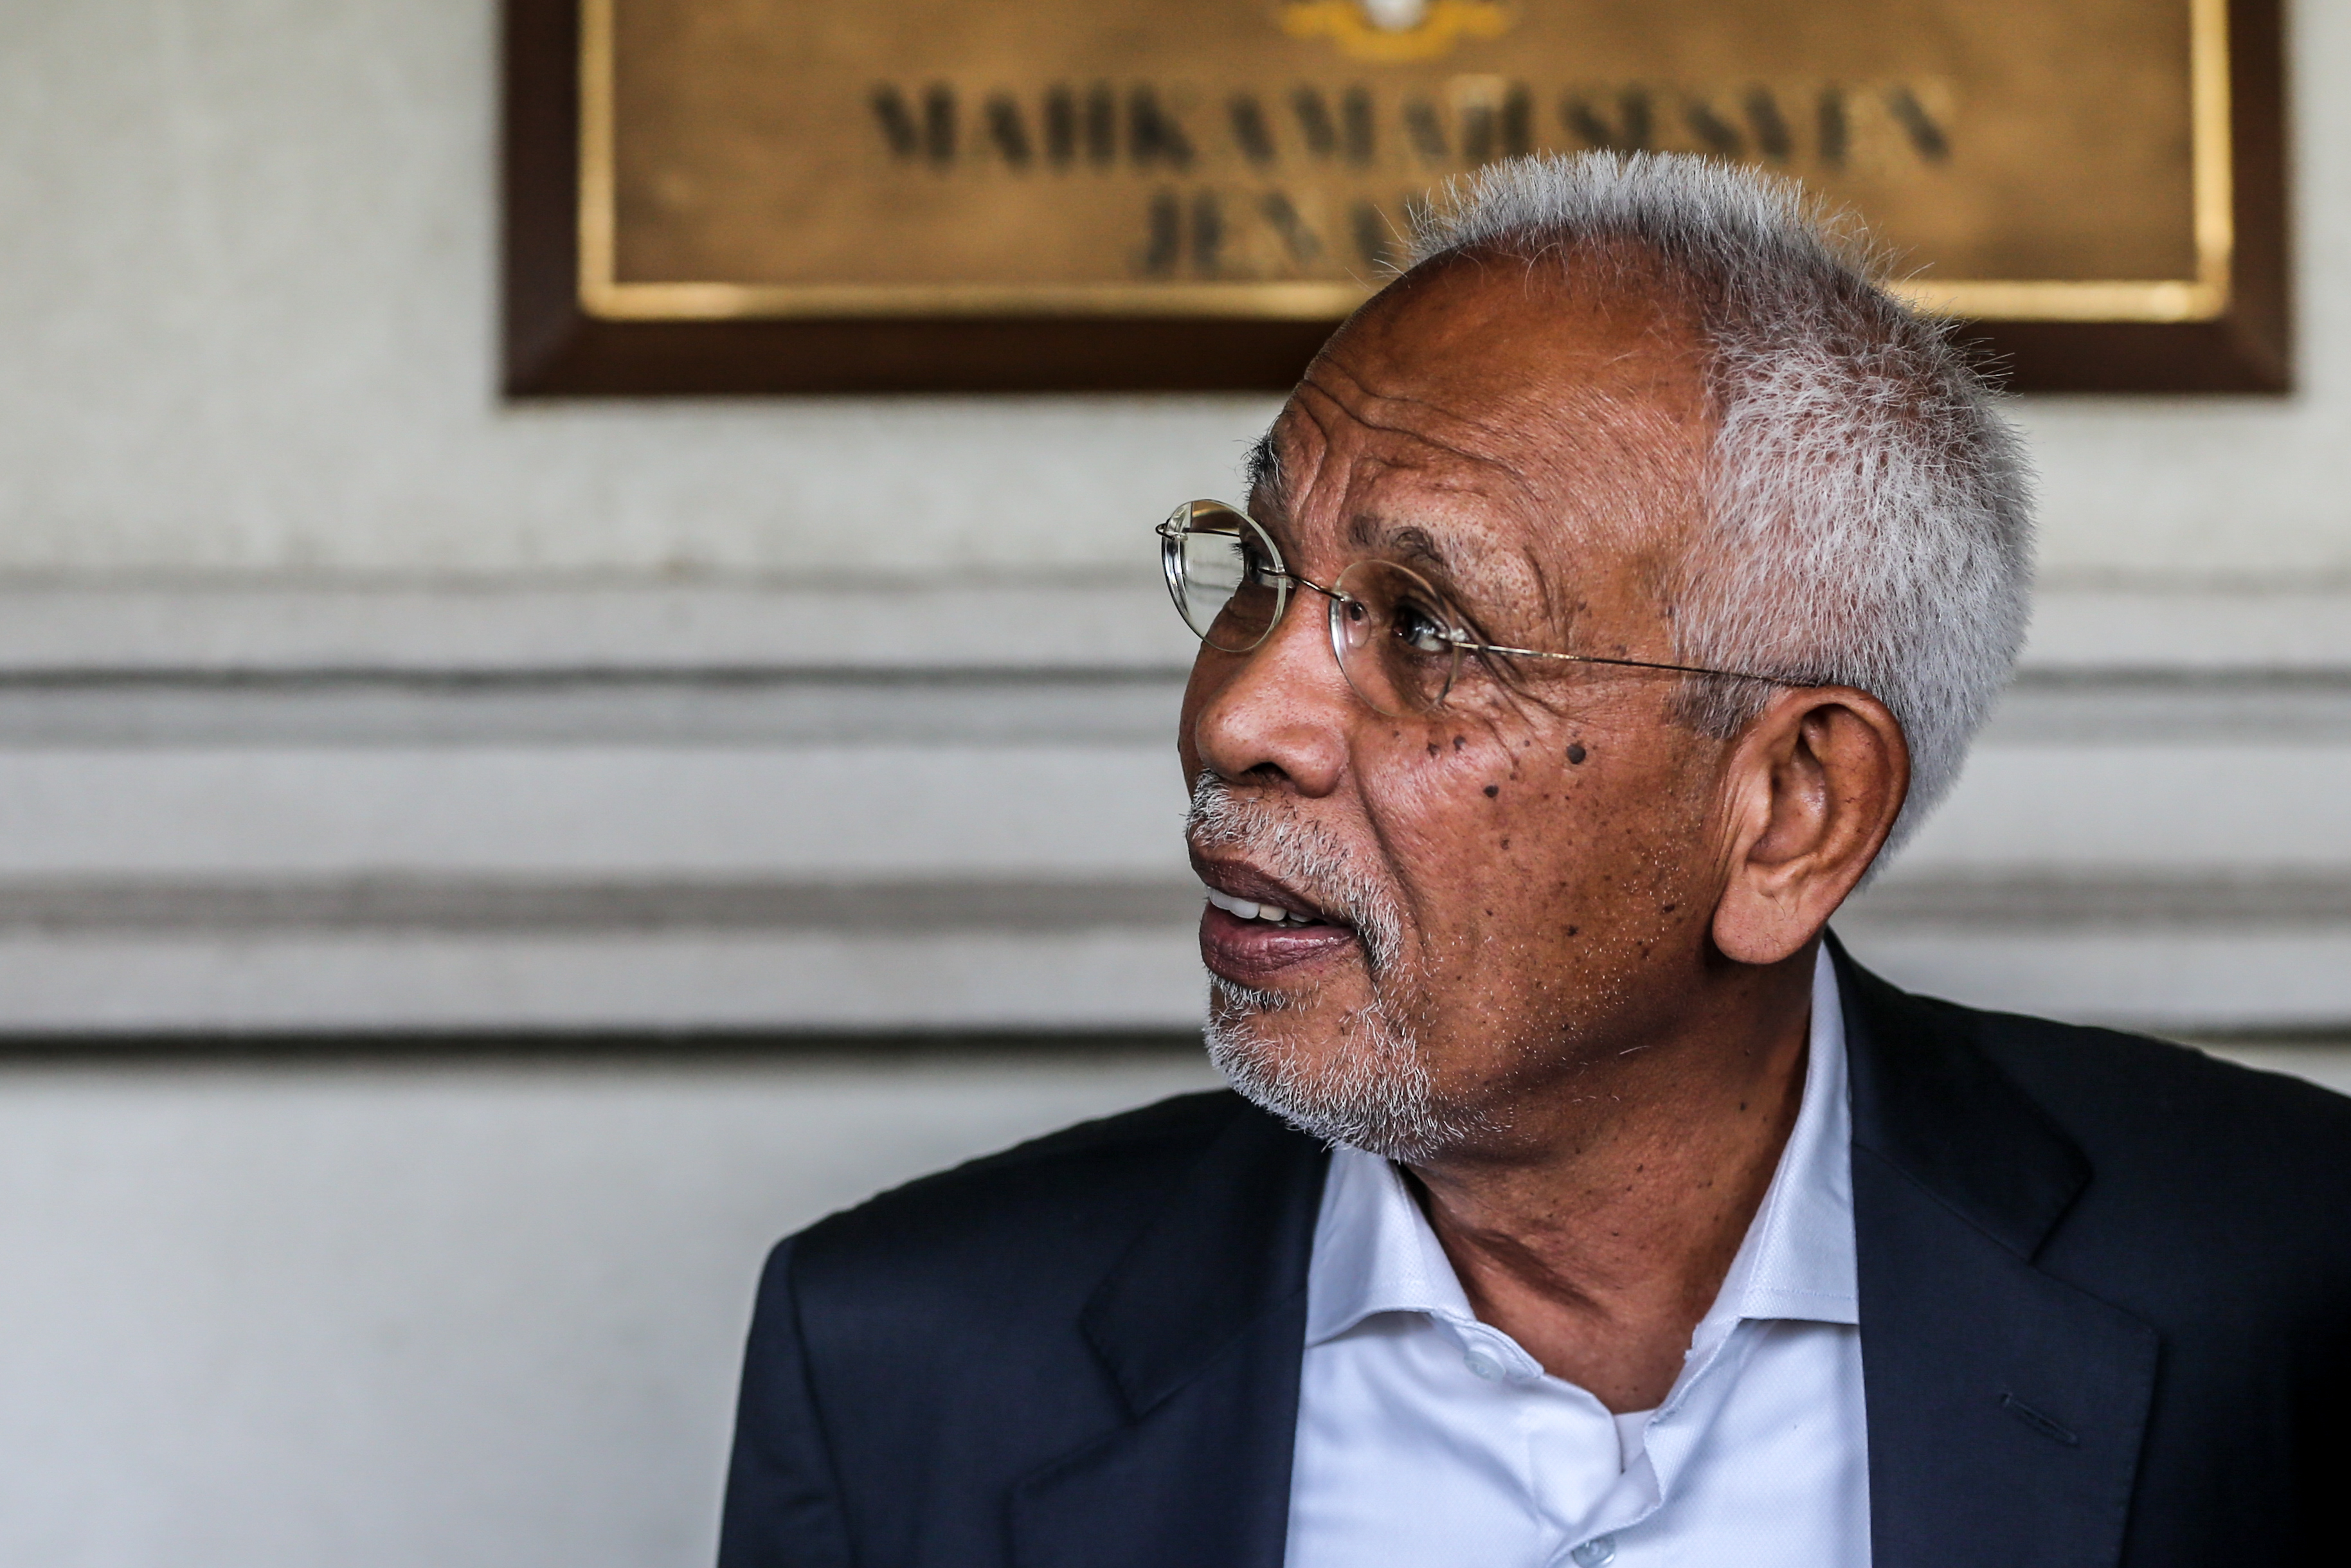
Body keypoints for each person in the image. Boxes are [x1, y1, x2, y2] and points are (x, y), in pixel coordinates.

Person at [714, 154, 2351, 1568]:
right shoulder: (906, 1359)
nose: (1238, 714)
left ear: (1790, 808)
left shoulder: (2285, 1275)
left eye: (1427, 626)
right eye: (1260, 569)